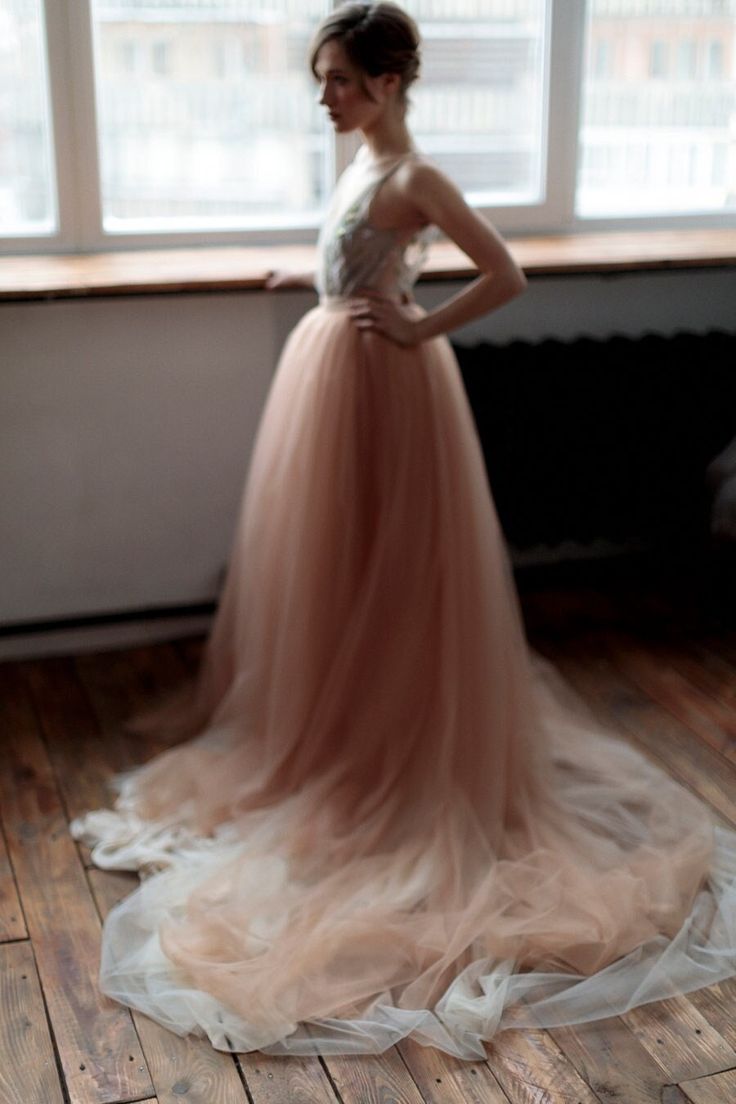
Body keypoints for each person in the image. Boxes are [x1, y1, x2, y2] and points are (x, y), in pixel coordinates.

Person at [71, 1, 736, 1060]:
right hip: (335, 369)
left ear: (385, 83)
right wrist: (318, 277)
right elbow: (362, 248)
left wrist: (419, 323)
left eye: (337, 78)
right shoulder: (360, 161)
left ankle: (392, 738)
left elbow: (502, 271)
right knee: (337, 573)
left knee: (392, 569)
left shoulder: (417, 172)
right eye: (322, 77)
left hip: (388, 384)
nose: (323, 95)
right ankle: (339, 724)